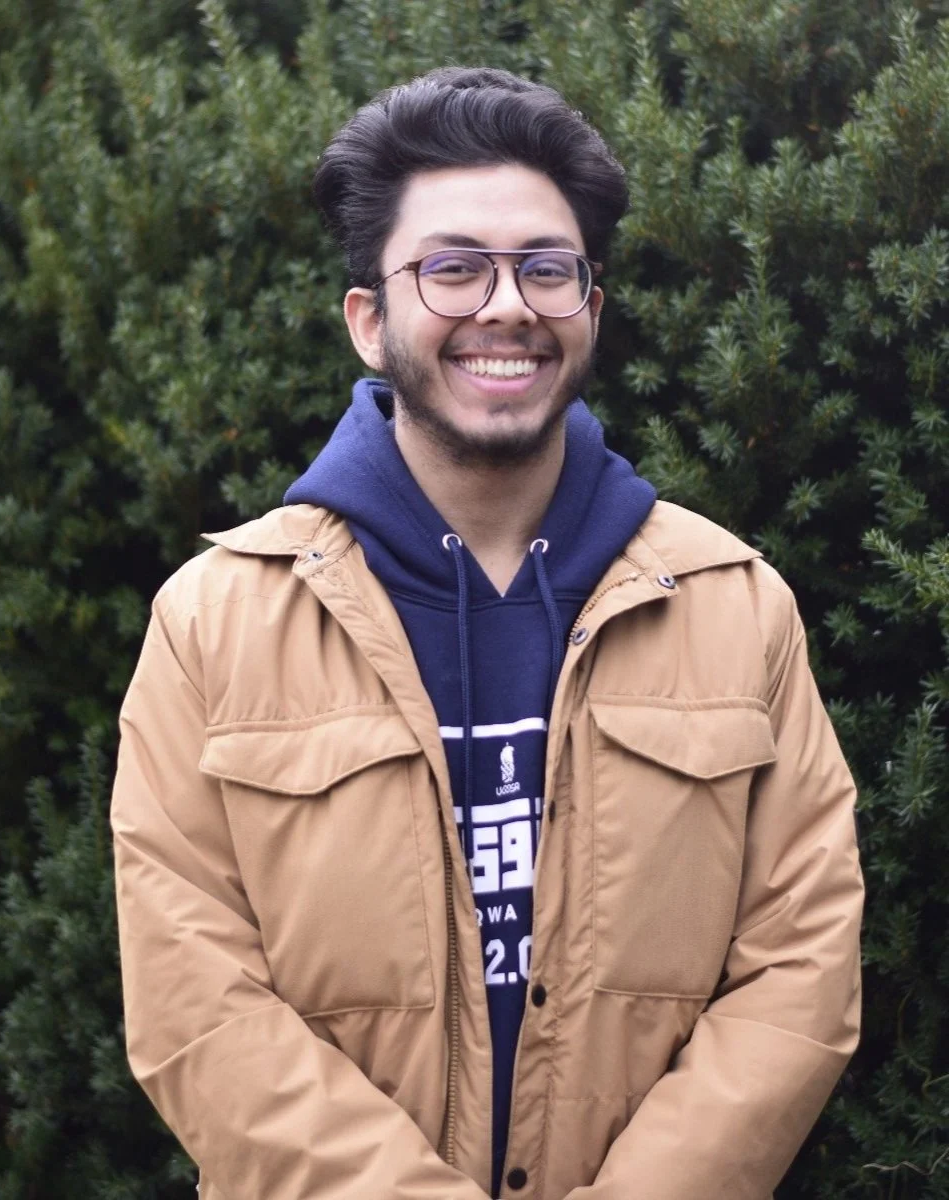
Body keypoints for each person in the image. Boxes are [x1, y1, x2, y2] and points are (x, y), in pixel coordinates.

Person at [111, 66, 863, 1200]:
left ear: (590, 308)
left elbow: (800, 968)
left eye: (546, 269)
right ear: (370, 322)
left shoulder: (732, 603)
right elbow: (195, 1007)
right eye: (453, 268)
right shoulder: (215, 622)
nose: (507, 304)